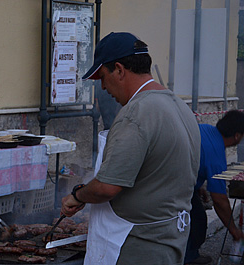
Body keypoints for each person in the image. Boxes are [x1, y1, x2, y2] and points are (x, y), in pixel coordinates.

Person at [60, 32, 201, 265]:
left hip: (136, 246)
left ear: (119, 69)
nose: (103, 87)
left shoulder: (136, 113)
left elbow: (106, 187)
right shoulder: (178, 105)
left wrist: (77, 196)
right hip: (171, 240)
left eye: (103, 77)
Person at [184, 110, 244, 264]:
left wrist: (198, 186)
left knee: (196, 217)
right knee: (197, 221)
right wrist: (234, 231)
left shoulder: (205, 128)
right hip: (175, 187)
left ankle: (190, 254)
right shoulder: (217, 158)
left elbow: (194, 160)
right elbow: (220, 201)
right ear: (237, 136)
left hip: (183, 181)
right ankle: (188, 258)